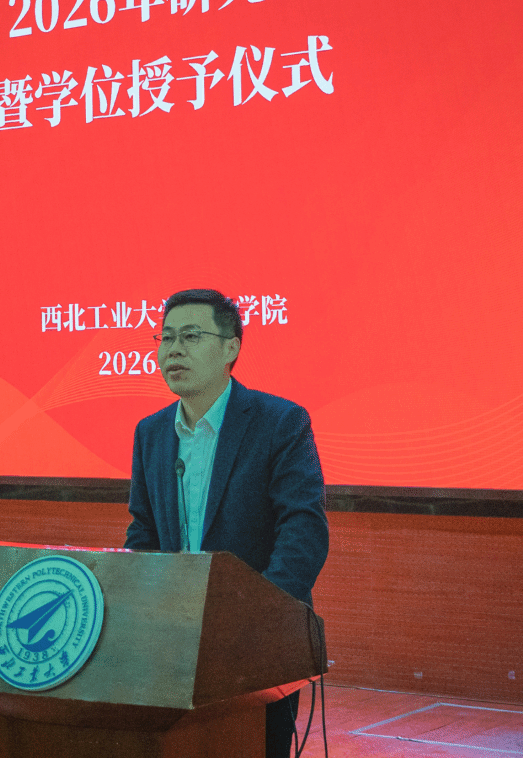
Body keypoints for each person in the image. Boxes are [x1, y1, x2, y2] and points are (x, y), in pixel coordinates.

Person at [124, 288, 328, 758]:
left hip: (255, 644)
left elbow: (303, 530)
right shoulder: (151, 432)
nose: (174, 350)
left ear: (230, 348)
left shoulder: (280, 422)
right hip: (174, 640)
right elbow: (144, 532)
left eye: (190, 336)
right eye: (166, 337)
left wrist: (253, 617)